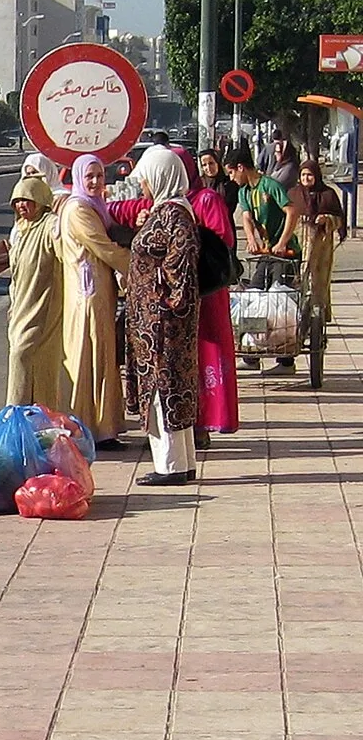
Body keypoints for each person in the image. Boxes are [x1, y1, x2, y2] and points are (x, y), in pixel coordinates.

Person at [109, 148, 240, 446]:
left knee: (194, 365)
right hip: (178, 305)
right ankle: (185, 431)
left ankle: (202, 426)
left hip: (196, 298)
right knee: (182, 370)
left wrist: (164, 304)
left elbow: (214, 245)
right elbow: (120, 209)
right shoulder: (166, 206)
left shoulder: (194, 205)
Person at [125, 149, 200, 487]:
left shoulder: (174, 216)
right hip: (157, 320)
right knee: (171, 389)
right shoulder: (167, 212)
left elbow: (179, 267)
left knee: (163, 389)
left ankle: (170, 466)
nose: (141, 184)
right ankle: (181, 462)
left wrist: (162, 303)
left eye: (145, 176)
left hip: (162, 323)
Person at [58, 153, 130, 449]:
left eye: (100, 176)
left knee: (102, 358)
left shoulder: (95, 207)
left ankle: (104, 427)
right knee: (91, 359)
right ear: (78, 179)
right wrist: (137, 266)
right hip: (87, 296)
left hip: (97, 293)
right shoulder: (78, 210)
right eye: (89, 177)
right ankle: (89, 428)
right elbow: (103, 247)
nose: (96, 182)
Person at [228, 143, 300, 373]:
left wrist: (282, 242)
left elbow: (292, 211)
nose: (231, 177)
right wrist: (251, 240)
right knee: (253, 296)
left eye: (231, 172)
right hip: (266, 253)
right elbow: (247, 218)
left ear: (241, 167)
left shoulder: (270, 185)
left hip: (285, 253)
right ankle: (251, 355)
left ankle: (286, 360)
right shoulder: (244, 192)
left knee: (279, 300)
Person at [4, 176, 64, 408]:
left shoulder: (49, 224)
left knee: (22, 354)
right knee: (24, 357)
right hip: (20, 304)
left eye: (27, 200)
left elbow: (61, 242)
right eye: (18, 201)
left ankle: (17, 410)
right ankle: (25, 415)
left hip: (42, 305)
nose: (22, 205)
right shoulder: (20, 229)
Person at [289, 159, 346, 323]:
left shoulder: (328, 194)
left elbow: (339, 219)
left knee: (319, 280)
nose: (306, 178)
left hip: (321, 244)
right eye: (303, 175)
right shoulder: (293, 194)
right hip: (299, 242)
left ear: (317, 176)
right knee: (300, 278)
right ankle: (299, 317)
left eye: (310, 175)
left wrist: (326, 219)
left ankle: (318, 317)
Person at [198, 148, 239, 217]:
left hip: (224, 224)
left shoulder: (229, 183)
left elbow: (229, 209)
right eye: (204, 165)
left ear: (217, 163)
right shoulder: (198, 184)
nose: (208, 167)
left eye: (211, 163)